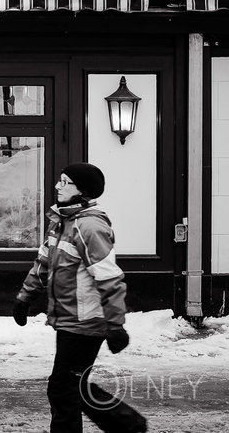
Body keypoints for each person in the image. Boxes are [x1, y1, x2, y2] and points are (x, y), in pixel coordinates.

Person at [13, 163, 148, 433]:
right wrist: (25, 297)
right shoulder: (62, 223)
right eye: (59, 180)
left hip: (86, 323)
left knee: (63, 387)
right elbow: (43, 264)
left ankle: (127, 423)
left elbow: (109, 279)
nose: (57, 186)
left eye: (65, 182)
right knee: (70, 385)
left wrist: (115, 325)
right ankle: (127, 424)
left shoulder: (90, 228)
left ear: (82, 191)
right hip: (68, 320)